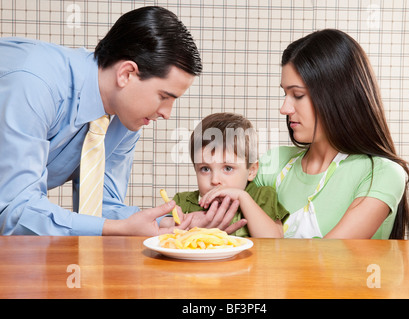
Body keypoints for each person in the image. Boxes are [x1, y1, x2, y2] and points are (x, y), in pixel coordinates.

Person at [0, 6, 243, 236]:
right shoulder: (33, 85)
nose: (167, 113)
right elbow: (14, 212)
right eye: (164, 97)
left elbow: (102, 208)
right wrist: (119, 230)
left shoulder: (125, 119)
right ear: (126, 74)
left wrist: (170, 223)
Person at [254, 29, 409, 239]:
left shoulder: (381, 174)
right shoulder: (272, 163)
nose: (284, 108)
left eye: (298, 95)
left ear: (338, 96)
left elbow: (330, 259)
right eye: (285, 94)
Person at [160, 112, 290, 237]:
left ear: (251, 170)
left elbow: (274, 239)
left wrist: (242, 197)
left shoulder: (262, 196)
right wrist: (180, 222)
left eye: (228, 168)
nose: (215, 180)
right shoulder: (184, 202)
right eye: (205, 169)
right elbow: (156, 230)